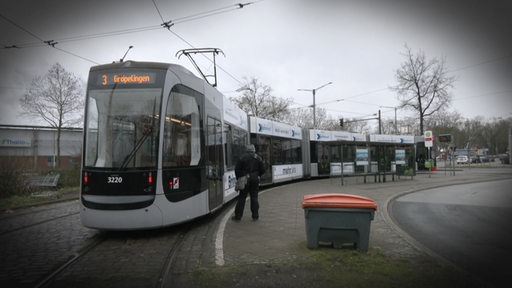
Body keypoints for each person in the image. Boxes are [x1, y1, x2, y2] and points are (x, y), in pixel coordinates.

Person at [233, 144, 265, 221]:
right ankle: (255, 215)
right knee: (254, 198)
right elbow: (263, 169)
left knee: (242, 198)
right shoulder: (258, 158)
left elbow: (237, 170)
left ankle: (238, 216)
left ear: (246, 149)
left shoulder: (242, 157)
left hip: (245, 180)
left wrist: (240, 178)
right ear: (254, 150)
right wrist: (258, 175)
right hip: (255, 180)